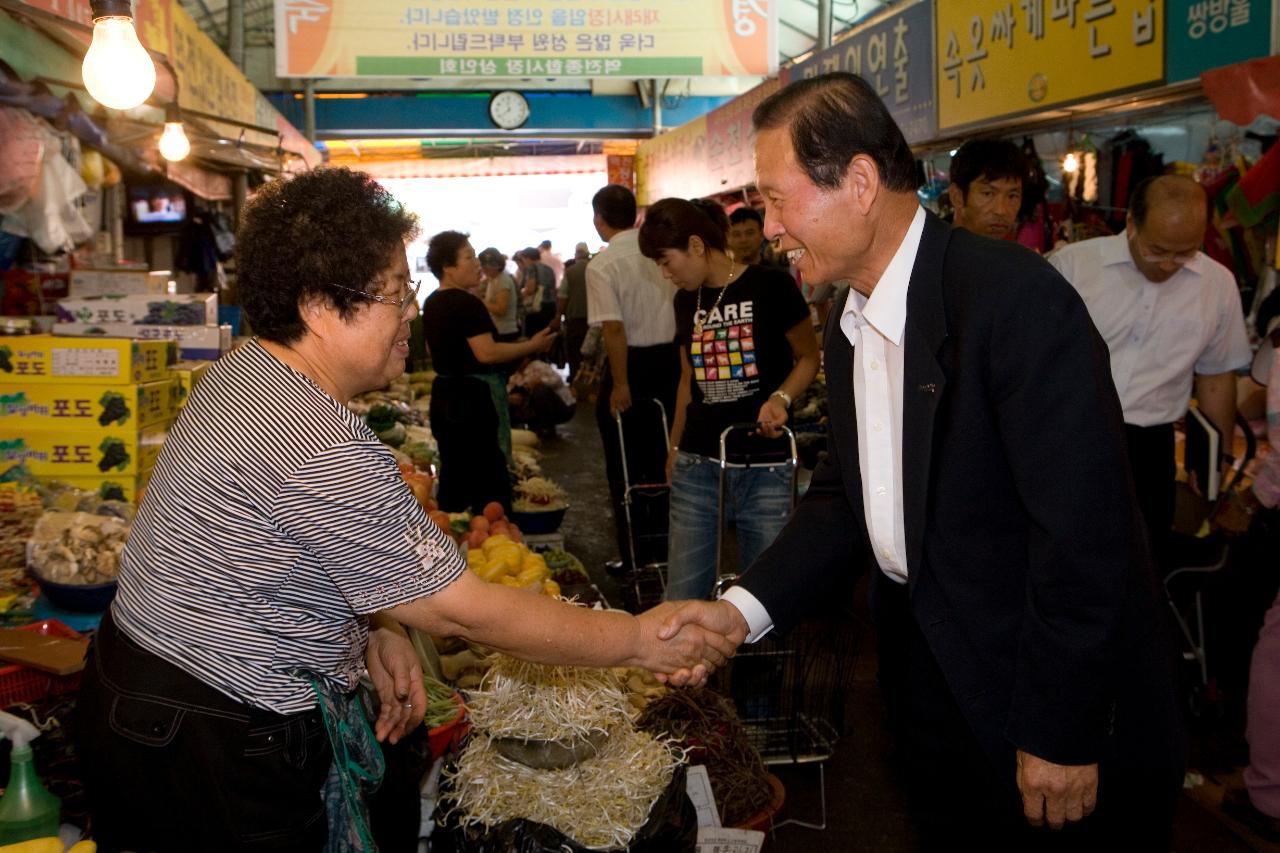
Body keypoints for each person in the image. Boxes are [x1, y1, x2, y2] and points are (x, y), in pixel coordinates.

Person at [74, 168, 735, 852]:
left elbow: (282, 550)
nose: (411, 312)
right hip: (206, 731)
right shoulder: (316, 441)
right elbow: (460, 608)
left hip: (150, 697)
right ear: (319, 307)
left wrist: (373, 624)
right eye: (394, 293)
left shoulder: (248, 371)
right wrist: (637, 638)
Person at [659, 72, 1185, 849]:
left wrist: (1059, 727)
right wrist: (740, 610)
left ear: (861, 182)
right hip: (930, 679)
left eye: (776, 198)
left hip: (1038, 687)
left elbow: (1085, 538)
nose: (766, 227)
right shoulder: (850, 317)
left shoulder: (1011, 301)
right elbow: (847, 497)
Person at [1049, 174, 1251, 558]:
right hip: (1070, 433)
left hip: (1150, 447)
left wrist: (1215, 457)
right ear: (1130, 223)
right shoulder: (1073, 266)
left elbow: (1216, 378)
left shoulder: (1217, 284)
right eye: (1157, 250)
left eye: (1186, 252)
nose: (1170, 265)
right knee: (1063, 553)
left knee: (1143, 559)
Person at [638, 197, 818, 601]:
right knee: (683, 595)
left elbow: (808, 357)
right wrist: (674, 445)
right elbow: (689, 379)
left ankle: (757, 667)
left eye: (666, 261)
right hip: (698, 463)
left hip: (765, 466)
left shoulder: (771, 286)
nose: (665, 274)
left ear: (697, 246)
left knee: (763, 597)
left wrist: (781, 398)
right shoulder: (686, 299)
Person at [422, 231, 554, 513]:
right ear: (448, 266)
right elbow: (487, 352)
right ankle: (493, 541)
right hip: (472, 401)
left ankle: (457, 543)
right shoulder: (467, 303)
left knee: (455, 477)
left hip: (444, 398)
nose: (477, 263)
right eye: (469, 257)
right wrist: (531, 345)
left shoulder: (431, 302)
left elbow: (432, 352)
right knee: (488, 483)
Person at [587, 184, 682, 571]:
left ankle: (636, 558)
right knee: (668, 459)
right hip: (674, 366)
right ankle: (672, 552)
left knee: (626, 466)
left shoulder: (603, 264)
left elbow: (613, 329)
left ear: (599, 219)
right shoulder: (658, 249)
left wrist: (621, 383)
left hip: (632, 367)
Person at [947, 138, 1027, 240]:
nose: (1001, 211)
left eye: (1012, 196)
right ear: (957, 196)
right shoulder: (928, 251)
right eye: (988, 194)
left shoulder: (1016, 254)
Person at [557, 241, 592, 381]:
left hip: (575, 319)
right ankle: (590, 380)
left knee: (574, 351)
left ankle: (575, 378)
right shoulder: (595, 267)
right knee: (591, 353)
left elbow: (563, 296)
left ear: (576, 254)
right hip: (595, 319)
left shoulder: (570, 272)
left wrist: (558, 315)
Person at [478, 246, 519, 342]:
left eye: (486, 267)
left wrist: (480, 301)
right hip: (499, 329)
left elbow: (501, 309)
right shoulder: (493, 279)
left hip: (505, 331)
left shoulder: (502, 280)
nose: (483, 269)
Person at [516, 247, 558, 337]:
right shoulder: (549, 269)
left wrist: (519, 295)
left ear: (527, 258)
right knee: (546, 335)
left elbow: (530, 289)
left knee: (534, 337)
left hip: (537, 307)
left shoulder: (530, 268)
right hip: (551, 305)